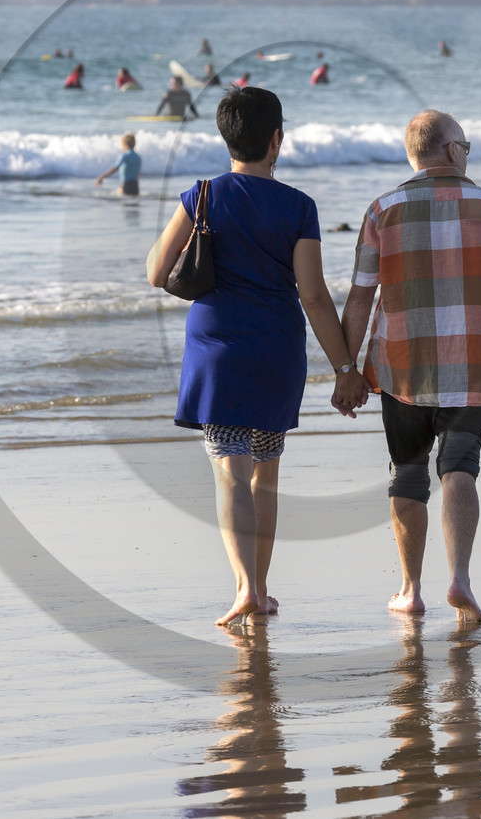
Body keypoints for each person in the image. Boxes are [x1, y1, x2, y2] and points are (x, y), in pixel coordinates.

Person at [145, 86, 363, 627]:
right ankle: (259, 589)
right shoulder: (298, 206)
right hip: (276, 351)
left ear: (226, 138)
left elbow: (155, 271)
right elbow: (313, 295)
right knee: (265, 476)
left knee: (230, 474)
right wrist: (345, 369)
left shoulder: (201, 196)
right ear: (276, 139)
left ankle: (244, 588)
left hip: (217, 351)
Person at [337, 110, 481, 624]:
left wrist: (346, 370)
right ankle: (460, 579)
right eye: (465, 146)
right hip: (472, 367)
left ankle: (410, 589)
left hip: (403, 368)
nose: (467, 155)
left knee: (408, 475)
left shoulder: (384, 209)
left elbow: (359, 299)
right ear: (448, 150)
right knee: (461, 467)